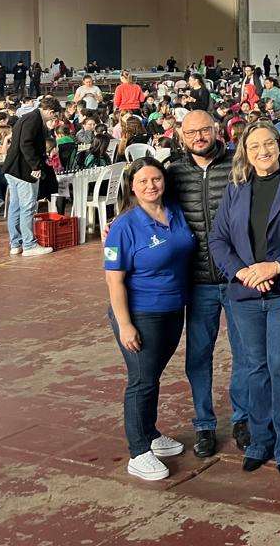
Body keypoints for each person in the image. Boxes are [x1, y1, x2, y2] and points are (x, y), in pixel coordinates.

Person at [208, 120, 280, 474]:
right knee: (254, 367)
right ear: (245, 152)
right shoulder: (237, 187)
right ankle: (260, 439)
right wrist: (242, 272)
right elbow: (218, 239)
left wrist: (275, 266)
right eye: (254, 146)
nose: (262, 151)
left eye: (268, 143)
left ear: (279, 146)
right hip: (245, 293)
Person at [102, 157, 196, 481]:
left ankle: (151, 433)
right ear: (132, 186)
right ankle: (139, 451)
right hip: (141, 312)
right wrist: (125, 324)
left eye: (155, 179)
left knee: (152, 375)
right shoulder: (124, 226)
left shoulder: (175, 212)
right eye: (142, 181)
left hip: (173, 308)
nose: (150, 186)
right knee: (141, 380)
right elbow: (114, 279)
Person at [164, 110, 250, 457]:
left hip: (237, 277)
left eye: (204, 130)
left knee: (245, 353)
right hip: (197, 281)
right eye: (191, 133)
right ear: (181, 136)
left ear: (216, 130)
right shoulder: (174, 173)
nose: (198, 137)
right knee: (199, 356)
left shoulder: (238, 166)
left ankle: (243, 418)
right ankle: (204, 424)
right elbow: (150, 206)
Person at [3, 95, 61, 257]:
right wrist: (35, 165)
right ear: (50, 112)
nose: (53, 119)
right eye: (54, 115)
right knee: (27, 207)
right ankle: (29, 245)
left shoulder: (27, 117)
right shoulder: (34, 119)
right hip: (24, 171)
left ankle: (16, 244)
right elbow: (26, 143)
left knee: (15, 207)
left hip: (13, 169)